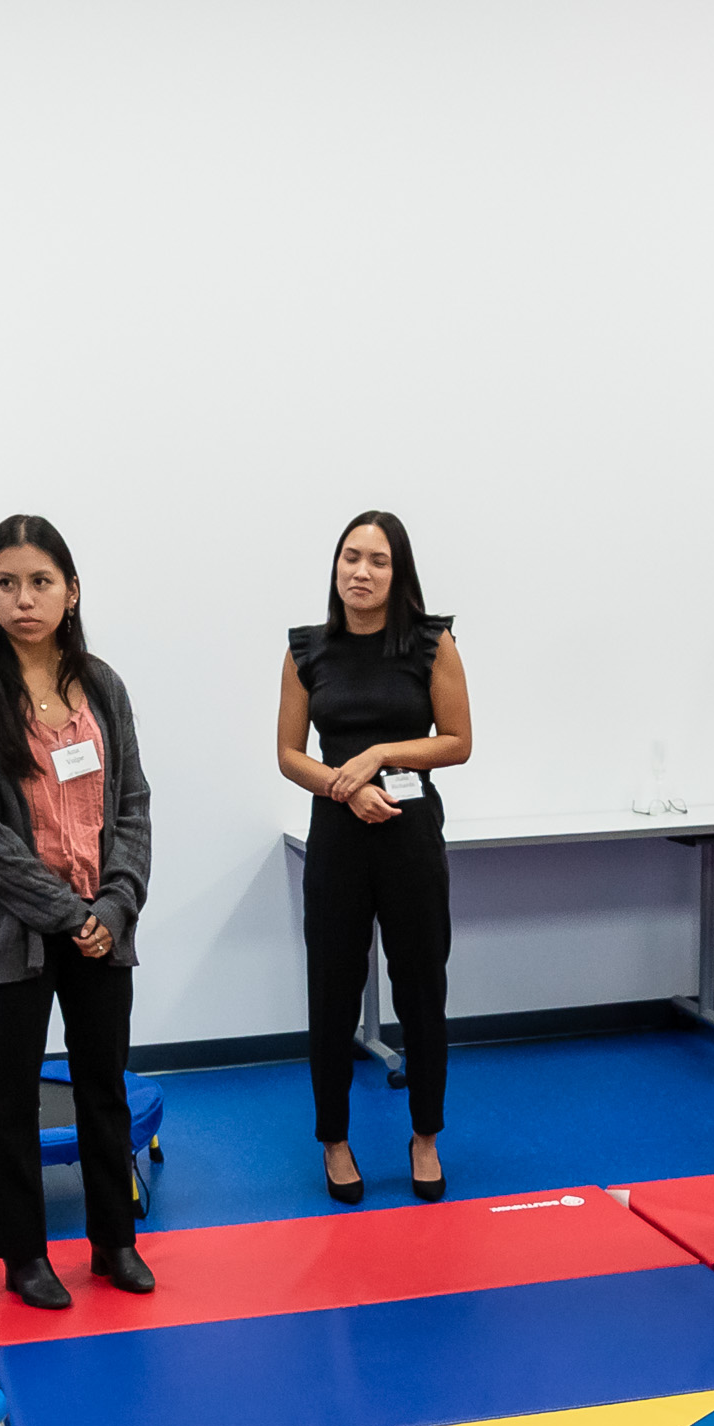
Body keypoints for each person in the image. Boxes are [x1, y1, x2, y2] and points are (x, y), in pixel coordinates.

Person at [0, 516, 155, 1307]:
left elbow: (131, 805)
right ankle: (24, 1254)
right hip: (17, 929)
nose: (23, 599)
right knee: (13, 1089)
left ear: (71, 591)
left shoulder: (102, 686)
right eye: (6, 583)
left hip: (103, 925)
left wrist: (116, 906)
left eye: (40, 582)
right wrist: (67, 912)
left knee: (104, 1084)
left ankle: (113, 1241)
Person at [275, 511, 472, 1203]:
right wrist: (342, 786)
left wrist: (381, 754)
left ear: (399, 572)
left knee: (423, 983)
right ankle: (335, 1139)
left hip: (411, 831)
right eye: (350, 557)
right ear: (335, 567)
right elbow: (289, 754)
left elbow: (456, 740)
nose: (361, 571)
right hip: (338, 831)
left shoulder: (429, 641)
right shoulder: (308, 649)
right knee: (332, 988)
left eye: (378, 560)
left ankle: (425, 1136)